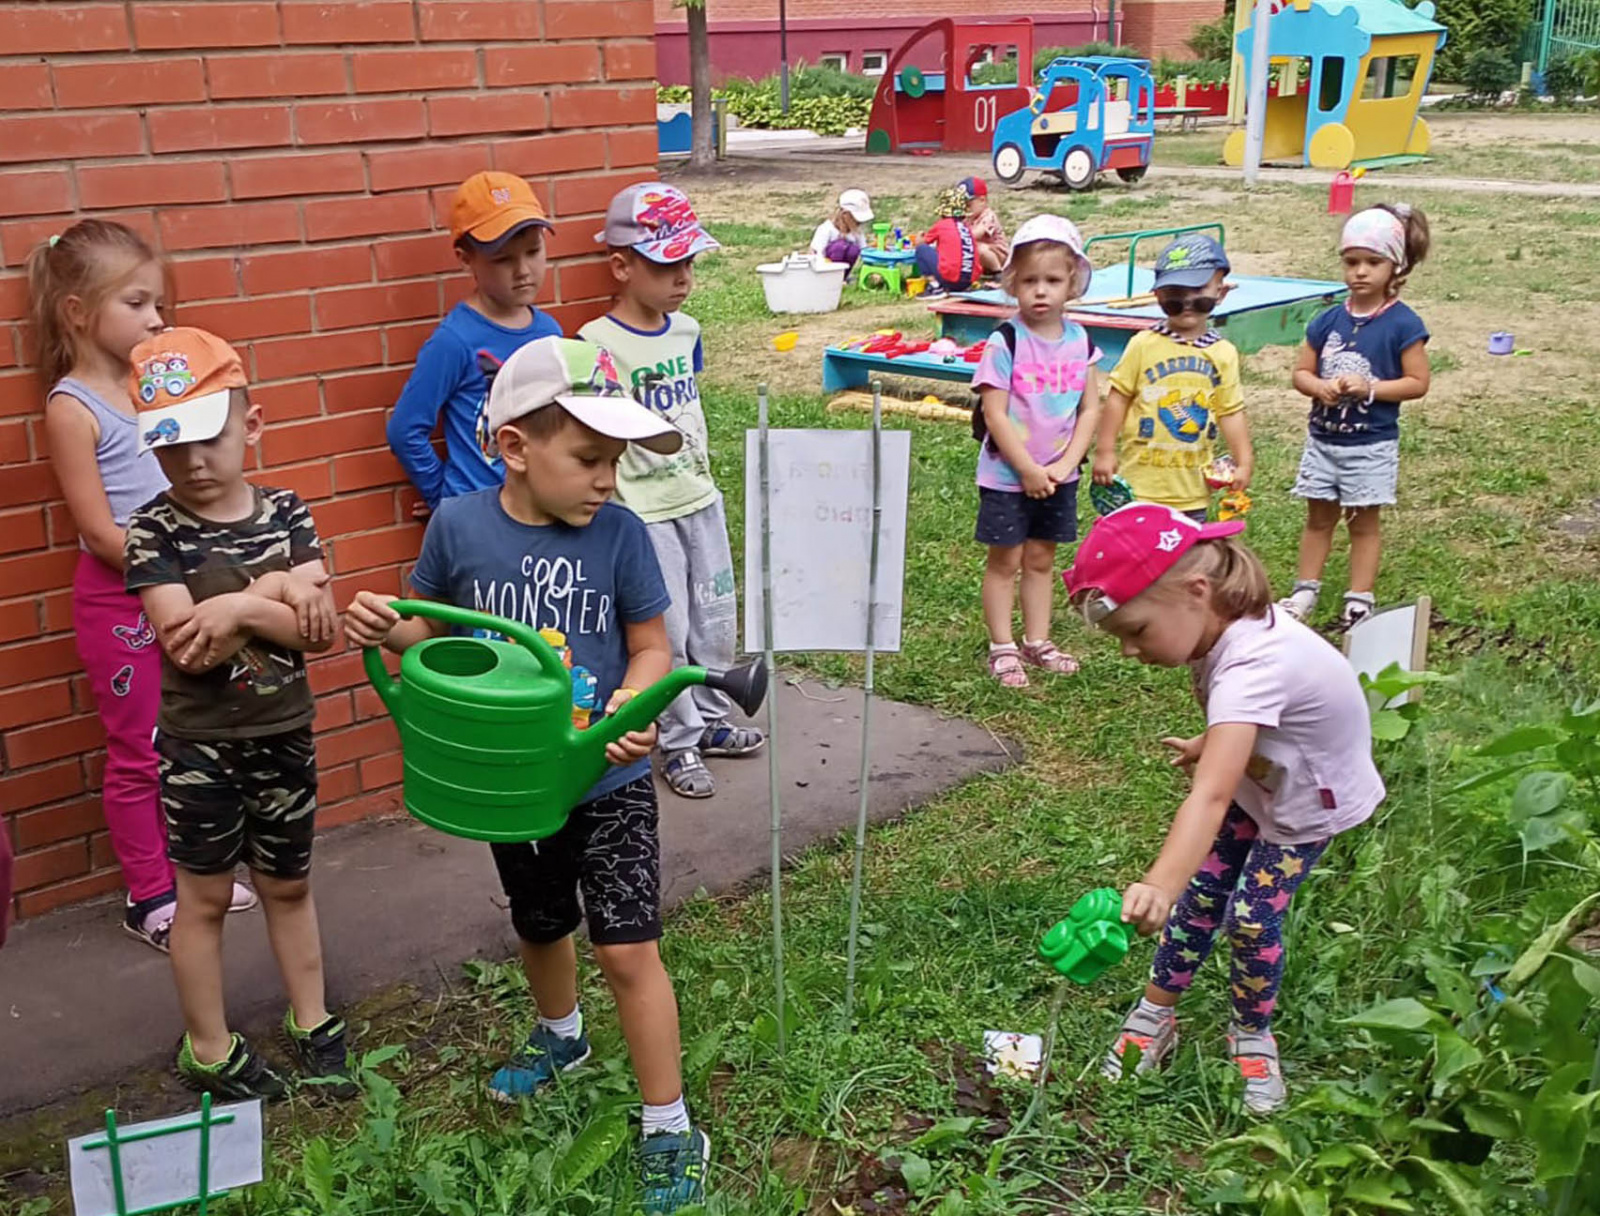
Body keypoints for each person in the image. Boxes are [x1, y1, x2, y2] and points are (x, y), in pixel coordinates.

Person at [344, 336, 712, 1214]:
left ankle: (669, 1124)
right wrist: (380, 622)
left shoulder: (621, 535)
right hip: (516, 782)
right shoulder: (458, 527)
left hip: (607, 782)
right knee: (540, 921)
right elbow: (432, 639)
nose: (607, 481)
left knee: (627, 948)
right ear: (513, 447)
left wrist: (634, 704)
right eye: (589, 458)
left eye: (616, 461)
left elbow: (651, 644)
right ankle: (562, 1037)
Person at [1063, 504, 1383, 1113]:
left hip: (1301, 808)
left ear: (1197, 591)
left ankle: (1252, 1034)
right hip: (1260, 780)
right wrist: (1213, 744)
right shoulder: (1225, 632)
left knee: (1252, 920)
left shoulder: (1254, 664)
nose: (1130, 651)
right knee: (1202, 899)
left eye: (1136, 631)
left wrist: (1157, 882)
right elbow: (1262, 723)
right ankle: (1156, 1013)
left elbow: (1210, 794)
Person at [123, 327, 351, 1101]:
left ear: (249, 426)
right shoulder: (153, 531)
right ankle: (210, 1046)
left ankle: (313, 1018)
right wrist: (273, 594)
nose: (191, 461)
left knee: (288, 884)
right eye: (169, 445)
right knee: (206, 896)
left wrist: (234, 607)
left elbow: (318, 629)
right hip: (199, 749)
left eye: (207, 437)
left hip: (284, 733)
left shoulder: (287, 512)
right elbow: (188, 647)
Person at [28, 220, 255, 952]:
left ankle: (201, 871)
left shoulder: (155, 388)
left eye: (158, 302)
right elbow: (98, 531)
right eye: (138, 303)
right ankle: (150, 894)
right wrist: (176, 564)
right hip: (122, 603)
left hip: (186, 589)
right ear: (77, 313)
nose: (159, 318)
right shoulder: (74, 407)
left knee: (197, 734)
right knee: (141, 750)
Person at [580, 183, 764, 800]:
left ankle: (711, 719)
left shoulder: (686, 330)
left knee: (714, 621)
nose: (681, 277)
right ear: (621, 266)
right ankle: (678, 742)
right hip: (644, 512)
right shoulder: (596, 344)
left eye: (688, 262)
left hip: (699, 497)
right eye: (665, 265)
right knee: (672, 630)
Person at [1280, 204, 1431, 628]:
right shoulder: (1328, 320)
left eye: (1372, 262)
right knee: (1318, 519)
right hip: (1323, 441)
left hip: (1370, 445)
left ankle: (1359, 598)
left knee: (1363, 524)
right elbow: (1301, 372)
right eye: (1351, 262)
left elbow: (1418, 382)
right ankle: (1304, 590)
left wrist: (1371, 388)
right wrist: (1318, 387)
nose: (1360, 272)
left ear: (1395, 266)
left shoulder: (1403, 324)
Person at [973, 215, 1102, 687]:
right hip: (1008, 478)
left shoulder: (1081, 342)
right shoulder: (1005, 341)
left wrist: (1065, 465)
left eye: (1052, 280)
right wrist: (1027, 469)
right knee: (1005, 560)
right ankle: (1002, 646)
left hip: (1057, 477)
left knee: (1042, 558)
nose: (1041, 292)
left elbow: (1090, 409)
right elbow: (996, 413)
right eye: (1029, 281)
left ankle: (1037, 640)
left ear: (1072, 283)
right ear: (1012, 284)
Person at [387, 171, 561, 513]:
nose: (523, 269)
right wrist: (444, 498)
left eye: (532, 251)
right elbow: (405, 429)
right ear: (466, 258)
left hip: (539, 510)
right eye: (503, 259)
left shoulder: (550, 333)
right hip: (480, 516)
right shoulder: (454, 341)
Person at [1094, 233, 1253, 523]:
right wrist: (1104, 451)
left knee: (1188, 562)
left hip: (1192, 490)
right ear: (1158, 297)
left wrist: (1243, 460)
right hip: (1140, 488)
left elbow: (1231, 412)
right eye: (1175, 297)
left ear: (1221, 292)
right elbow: (1118, 398)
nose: (1188, 301)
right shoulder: (1143, 344)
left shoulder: (1223, 353)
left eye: (1199, 291)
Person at [913, 187, 979, 297]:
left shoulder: (942, 225)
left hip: (951, 280)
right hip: (967, 282)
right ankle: (959, 286)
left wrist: (918, 238)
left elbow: (922, 242)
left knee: (922, 249)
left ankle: (935, 287)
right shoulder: (966, 228)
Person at [809, 188, 874, 269]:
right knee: (839, 247)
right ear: (845, 215)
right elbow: (816, 253)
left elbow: (863, 249)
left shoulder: (856, 231)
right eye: (856, 219)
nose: (859, 223)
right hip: (825, 269)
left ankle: (843, 277)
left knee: (853, 250)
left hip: (844, 268)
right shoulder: (827, 229)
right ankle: (833, 277)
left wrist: (871, 266)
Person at [957, 177, 1009, 275]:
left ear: (982, 200)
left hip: (998, 255)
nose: (964, 209)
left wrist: (957, 236)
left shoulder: (988, 216)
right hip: (982, 256)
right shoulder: (967, 218)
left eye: (968, 205)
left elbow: (976, 234)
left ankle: (998, 272)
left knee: (976, 247)